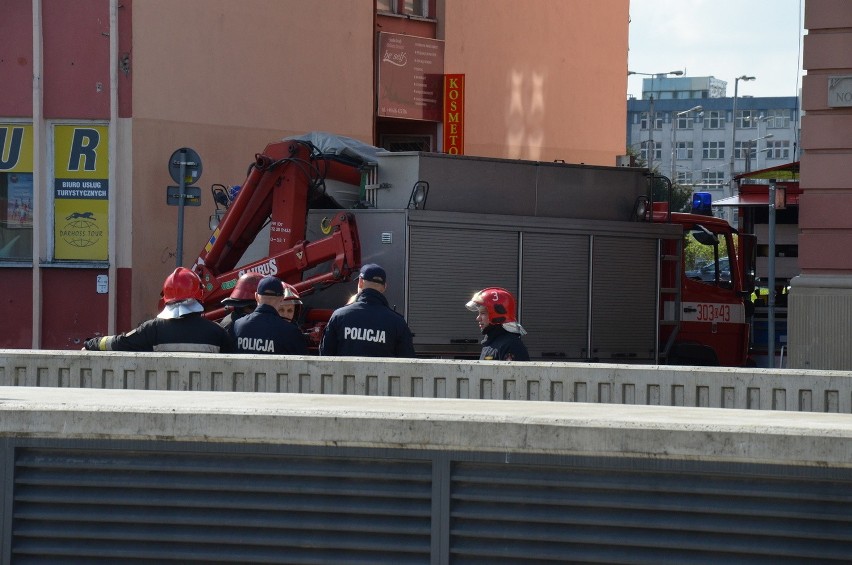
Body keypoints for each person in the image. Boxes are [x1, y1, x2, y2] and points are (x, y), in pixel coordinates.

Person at [83, 267, 234, 353]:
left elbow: (119, 343)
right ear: (199, 295)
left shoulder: (152, 329)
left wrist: (92, 343)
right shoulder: (217, 332)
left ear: (166, 298)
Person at [319, 263, 415, 357]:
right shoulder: (398, 322)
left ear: (360, 282)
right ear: (384, 287)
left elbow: (325, 357)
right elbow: (408, 363)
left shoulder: (338, 316)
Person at [232, 275, 309, 355]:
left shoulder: (237, 326)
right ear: (282, 298)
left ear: (256, 297)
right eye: (282, 310)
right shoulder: (291, 332)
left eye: (289, 310)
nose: (285, 314)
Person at [465, 287, 530, 361]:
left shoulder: (511, 345)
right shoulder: (490, 343)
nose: (478, 318)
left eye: (483, 313)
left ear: (497, 315)